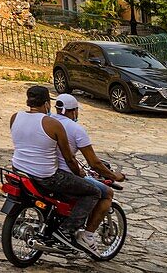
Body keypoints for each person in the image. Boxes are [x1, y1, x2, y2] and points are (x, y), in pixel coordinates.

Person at [9, 85, 103, 256]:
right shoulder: (53, 124)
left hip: (19, 170)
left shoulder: (15, 117)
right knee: (93, 192)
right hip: (46, 177)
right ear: (46, 104)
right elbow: (69, 158)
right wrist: (79, 174)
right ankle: (67, 231)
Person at [52, 93, 126, 247]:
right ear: (74, 111)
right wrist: (114, 176)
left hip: (45, 170)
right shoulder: (76, 129)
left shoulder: (48, 121)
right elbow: (94, 163)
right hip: (65, 174)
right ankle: (86, 235)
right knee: (105, 193)